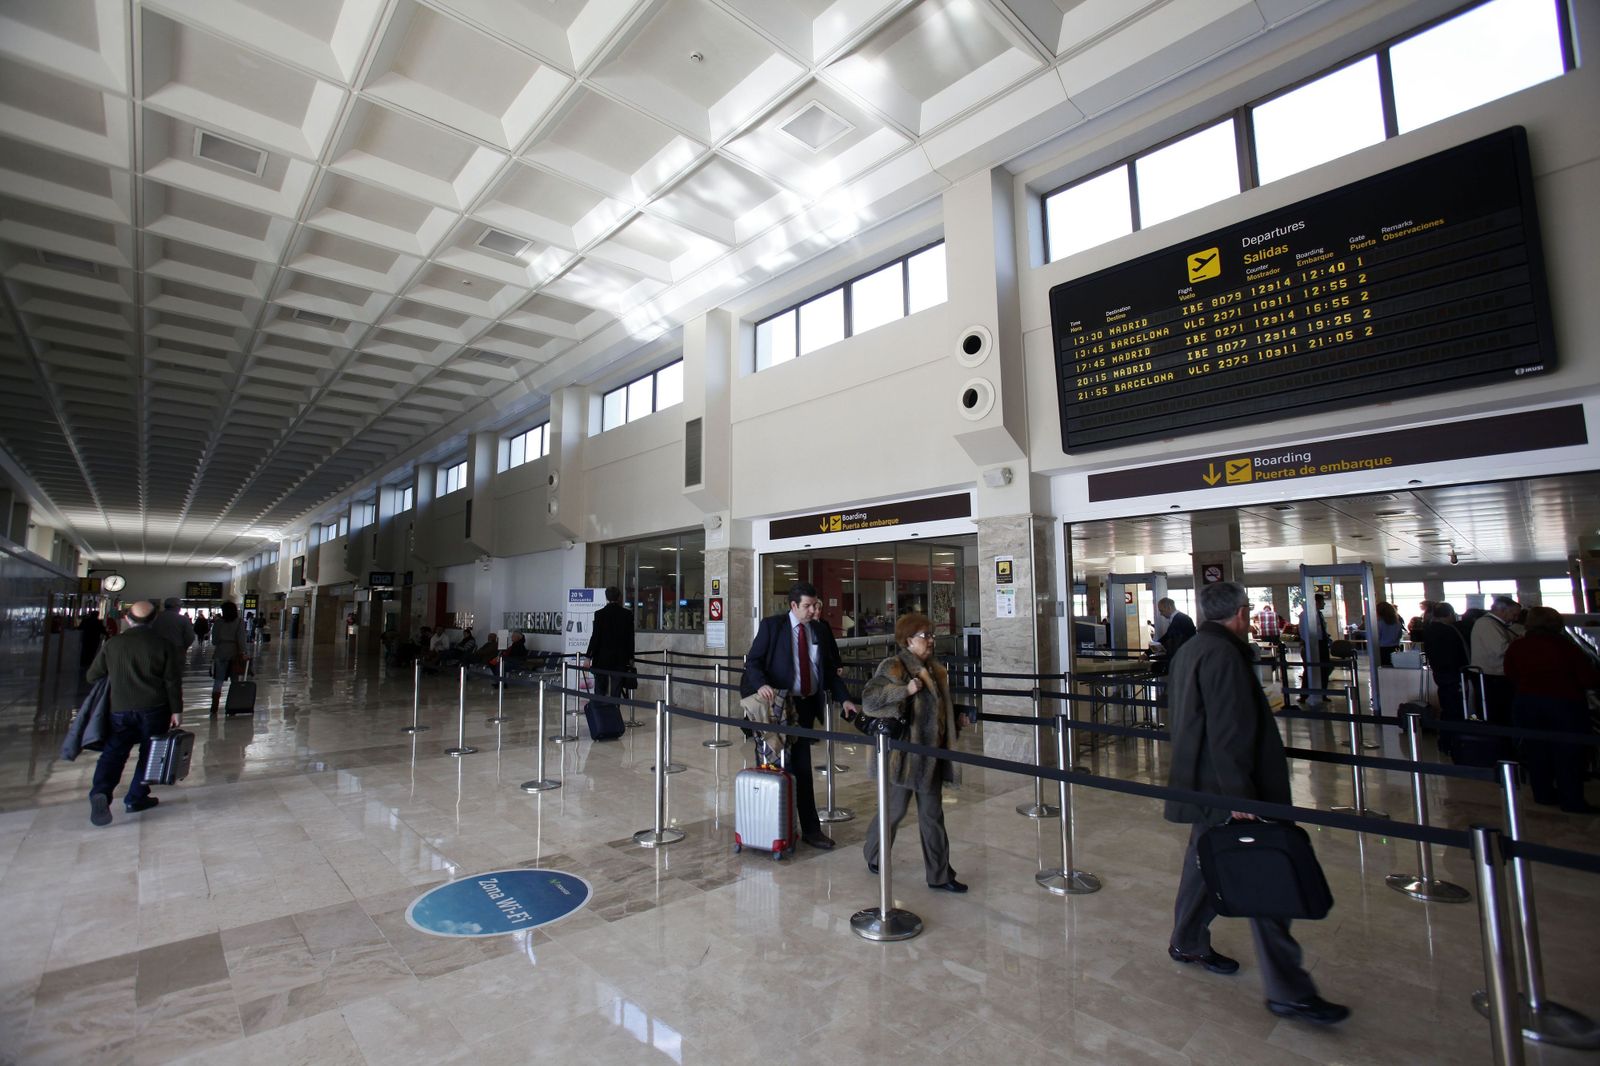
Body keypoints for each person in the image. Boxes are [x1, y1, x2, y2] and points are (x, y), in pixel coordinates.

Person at [1164, 581, 1348, 1025]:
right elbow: (1227, 733)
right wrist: (1240, 798)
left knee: (1205, 865)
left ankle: (1187, 939)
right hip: (1233, 790)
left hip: (1204, 785)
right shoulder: (1224, 654)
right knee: (1266, 877)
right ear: (1242, 614)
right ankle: (1289, 990)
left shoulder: (1190, 649)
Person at [741, 581, 859, 849]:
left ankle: (810, 830)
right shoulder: (773, 626)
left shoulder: (818, 629)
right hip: (779, 707)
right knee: (774, 767)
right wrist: (761, 683)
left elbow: (827, 670)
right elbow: (754, 661)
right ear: (793, 605)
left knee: (803, 769)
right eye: (807, 605)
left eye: (815, 605)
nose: (813, 610)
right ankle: (772, 828)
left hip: (804, 708)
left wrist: (845, 699)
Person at [859, 612, 968, 891]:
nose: (931, 641)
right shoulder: (894, 666)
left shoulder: (935, 669)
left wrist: (955, 716)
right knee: (893, 812)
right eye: (925, 636)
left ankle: (940, 875)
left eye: (932, 635)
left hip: (930, 757)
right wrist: (904, 691)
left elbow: (937, 708)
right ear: (909, 640)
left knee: (933, 816)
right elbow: (870, 701)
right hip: (903, 758)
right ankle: (873, 854)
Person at [83, 600, 182, 826]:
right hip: (155, 709)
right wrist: (177, 710)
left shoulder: (114, 644)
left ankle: (101, 792)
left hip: (119, 709)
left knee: (113, 753)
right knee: (150, 753)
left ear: (127, 618)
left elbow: (92, 675)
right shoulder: (163, 645)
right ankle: (136, 797)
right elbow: (172, 681)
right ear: (154, 620)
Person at [1504, 606, 1598, 813]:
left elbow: (1510, 673)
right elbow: (1587, 677)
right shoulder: (1564, 646)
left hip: (1527, 703)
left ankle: (1543, 793)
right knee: (1568, 753)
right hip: (1564, 704)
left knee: (1537, 750)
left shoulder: (1517, 646)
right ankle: (1572, 799)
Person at [1421, 603, 1470, 753]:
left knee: (1447, 707)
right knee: (1455, 709)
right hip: (1453, 674)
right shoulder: (1449, 630)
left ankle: (1446, 741)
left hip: (1440, 673)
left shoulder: (1428, 630)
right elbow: (1459, 654)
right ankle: (1454, 741)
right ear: (1449, 614)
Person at [1470, 595, 1522, 725]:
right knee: (1496, 713)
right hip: (1491, 676)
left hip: (1495, 675)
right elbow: (1501, 649)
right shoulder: (1487, 624)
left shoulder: (1496, 624)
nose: (1515, 619)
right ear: (1502, 610)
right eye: (1513, 614)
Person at [586, 587, 635, 706]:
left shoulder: (599, 614)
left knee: (600, 689)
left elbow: (595, 637)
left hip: (601, 657)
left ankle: (600, 716)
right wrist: (630, 657)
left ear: (606, 597)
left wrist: (588, 656)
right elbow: (630, 638)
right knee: (616, 690)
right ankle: (614, 715)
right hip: (619, 659)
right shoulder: (627, 614)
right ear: (619, 597)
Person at [208, 601, 248, 716]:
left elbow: (214, 640)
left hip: (220, 653)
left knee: (218, 680)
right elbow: (241, 639)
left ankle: (214, 706)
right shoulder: (239, 622)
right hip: (235, 654)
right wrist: (243, 652)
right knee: (235, 681)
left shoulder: (218, 622)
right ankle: (233, 705)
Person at [1297, 593, 1332, 702]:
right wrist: (1311, 644)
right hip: (1311, 645)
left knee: (1324, 669)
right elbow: (1303, 632)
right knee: (1309, 669)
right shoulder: (1305, 615)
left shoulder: (1319, 614)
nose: (1324, 604)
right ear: (1316, 602)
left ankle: (1323, 693)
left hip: (1322, 644)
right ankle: (1304, 695)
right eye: (1322, 602)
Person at [1374, 602, 1404, 667]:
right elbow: (1400, 635)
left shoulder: (1379, 623)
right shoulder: (1397, 623)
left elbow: (1377, 637)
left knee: (1384, 668)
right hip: (1395, 647)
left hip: (1383, 649)